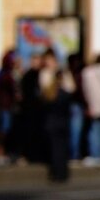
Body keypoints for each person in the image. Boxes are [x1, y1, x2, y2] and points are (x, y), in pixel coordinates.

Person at [39, 50, 73, 183]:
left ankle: (60, 171)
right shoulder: (46, 75)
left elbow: (70, 89)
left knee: (59, 146)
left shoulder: (62, 75)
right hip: (56, 118)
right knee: (57, 146)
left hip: (58, 118)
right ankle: (59, 171)